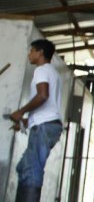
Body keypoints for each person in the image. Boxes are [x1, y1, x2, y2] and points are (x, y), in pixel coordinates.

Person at [9, 39, 63, 202]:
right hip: (48, 125)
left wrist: (21, 111)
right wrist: (26, 122)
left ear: (40, 53)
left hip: (44, 126)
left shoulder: (41, 70)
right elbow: (49, 104)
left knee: (31, 170)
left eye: (32, 50)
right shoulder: (53, 72)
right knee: (24, 167)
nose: (29, 54)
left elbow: (43, 96)